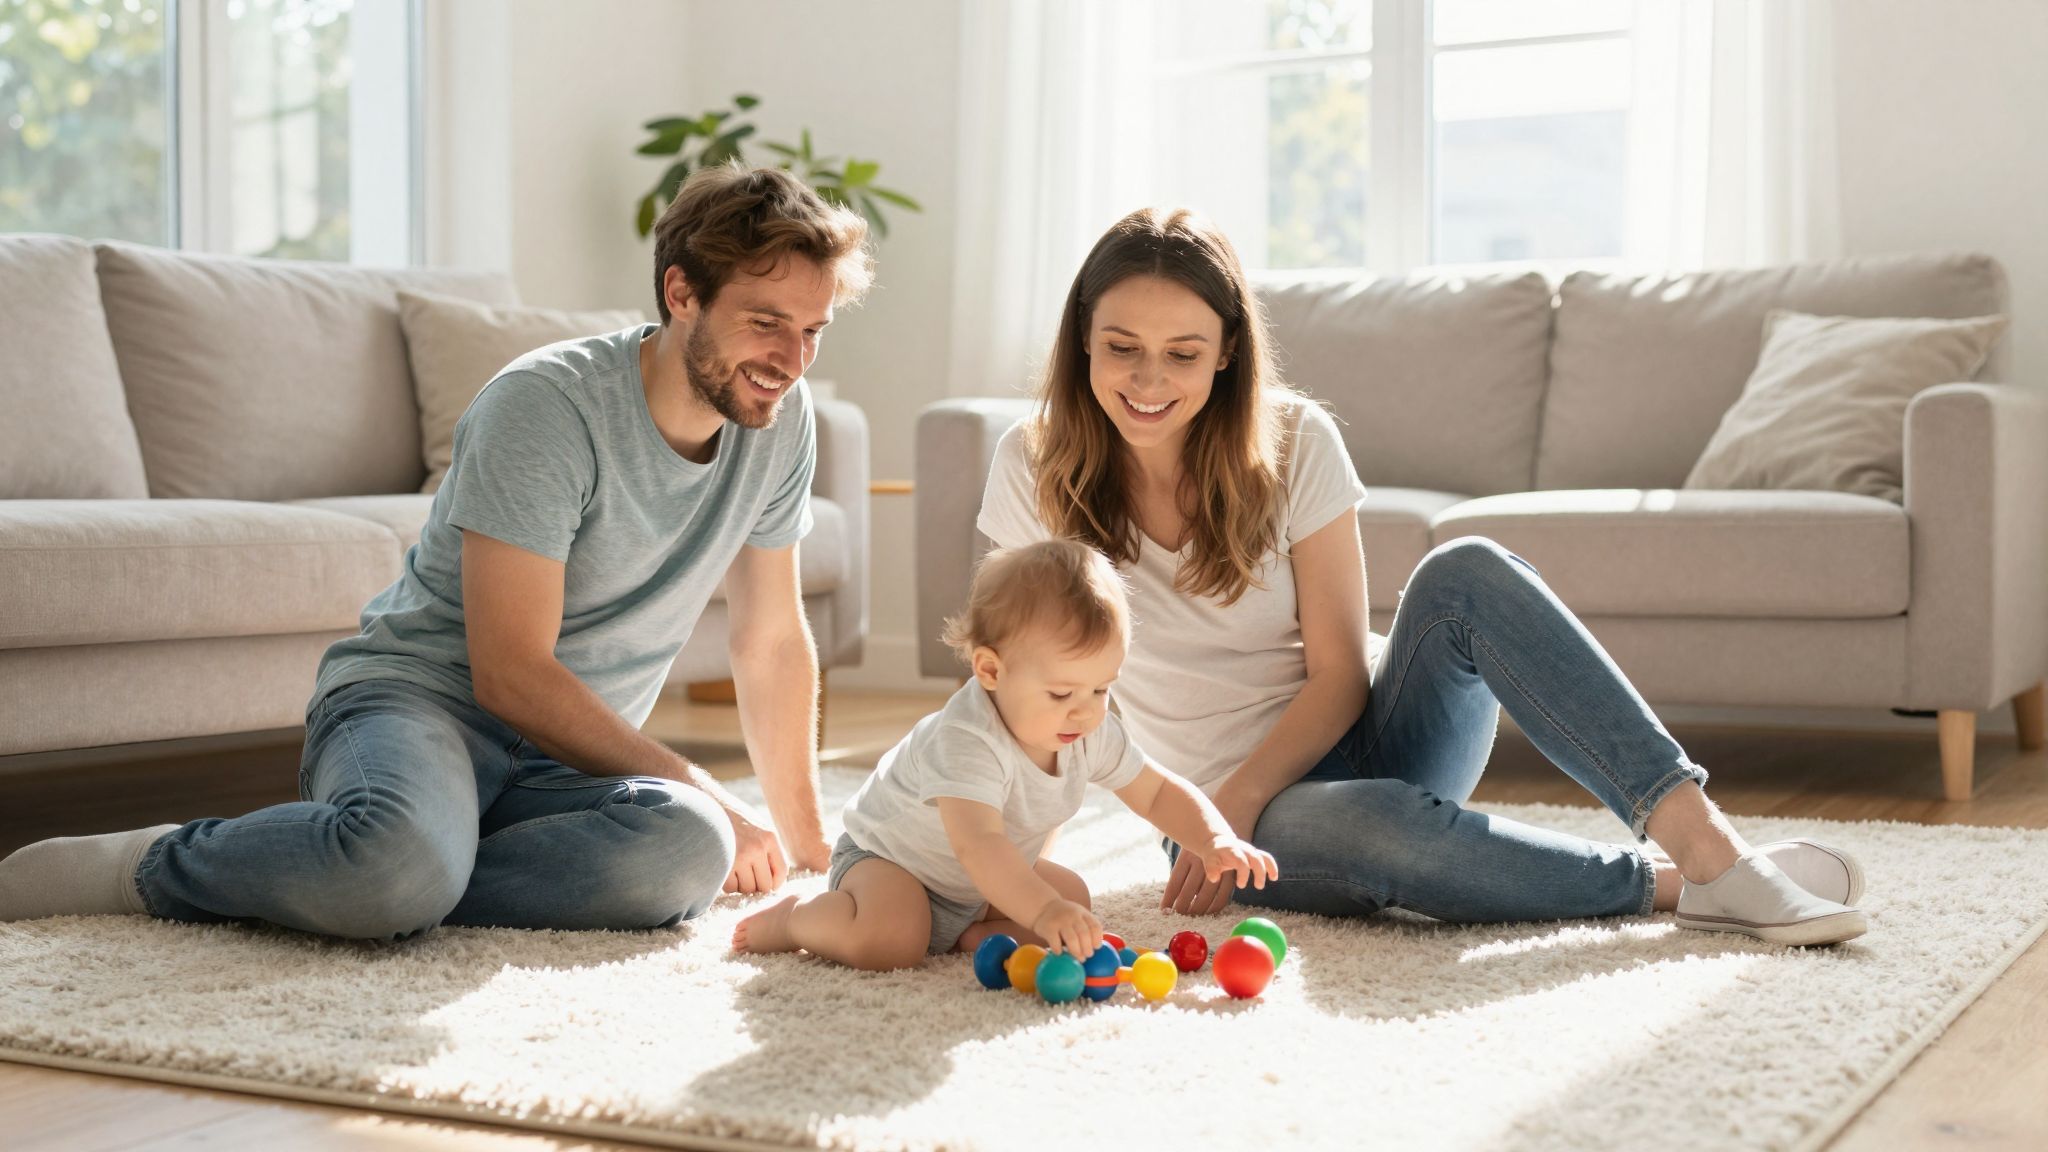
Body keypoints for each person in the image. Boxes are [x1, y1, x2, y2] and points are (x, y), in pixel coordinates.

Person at [0, 165, 867, 936]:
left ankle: (401, 865)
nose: (791, 360)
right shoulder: (548, 406)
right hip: (420, 708)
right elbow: (510, 675)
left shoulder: (781, 425)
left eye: (814, 330)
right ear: (682, 294)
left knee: (685, 848)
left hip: (565, 762)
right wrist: (712, 786)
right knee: (419, 862)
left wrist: (805, 844)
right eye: (765, 323)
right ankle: (161, 864)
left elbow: (771, 641)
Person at [974, 207, 1868, 947]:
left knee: (1468, 569)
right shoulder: (1032, 464)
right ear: (1081, 341)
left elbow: (1337, 677)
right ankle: (1674, 888)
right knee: (1370, 827)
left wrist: (1241, 797)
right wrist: (1006, 874)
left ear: (1227, 352)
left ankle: (1712, 850)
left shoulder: (1294, 443)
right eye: (1121, 347)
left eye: (1182, 353)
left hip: (1361, 742)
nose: (1148, 380)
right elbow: (1018, 695)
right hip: (1209, 824)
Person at [731, 539, 1277, 969]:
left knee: (1075, 904)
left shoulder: (1088, 729)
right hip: (890, 865)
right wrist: (1038, 907)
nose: (1085, 712)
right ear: (991, 671)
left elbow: (1155, 789)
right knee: (890, 942)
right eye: (1062, 693)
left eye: (1101, 688)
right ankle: (796, 920)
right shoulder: (967, 739)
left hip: (975, 884)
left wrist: (1212, 838)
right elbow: (979, 844)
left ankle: (970, 936)